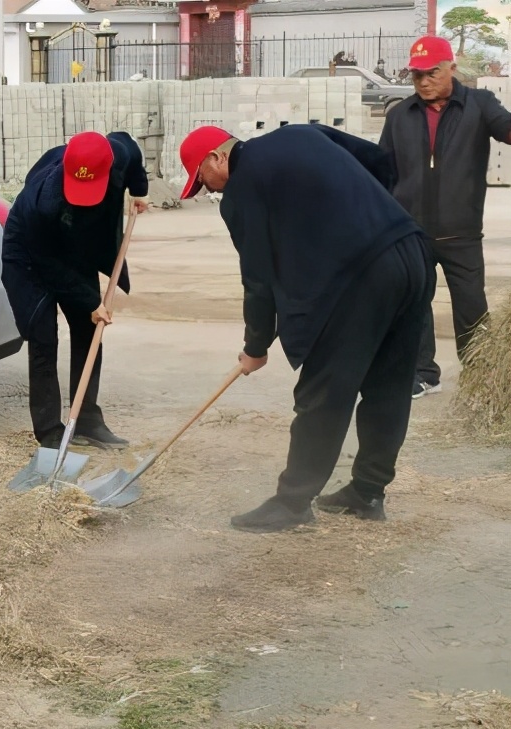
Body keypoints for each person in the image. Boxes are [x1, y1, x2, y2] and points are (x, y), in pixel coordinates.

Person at [178, 124, 434, 533]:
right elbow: (379, 161)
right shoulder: (302, 135)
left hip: (360, 275)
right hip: (411, 250)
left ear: (217, 158)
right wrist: (362, 213)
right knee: (389, 384)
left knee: (324, 391)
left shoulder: (243, 189)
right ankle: (368, 492)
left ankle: (292, 502)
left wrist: (256, 346)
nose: (208, 190)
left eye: (202, 180)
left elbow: (258, 277)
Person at [379, 35, 511, 399]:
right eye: (417, 75)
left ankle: (479, 376)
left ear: (451, 68)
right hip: (411, 234)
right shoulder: (399, 116)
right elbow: (382, 171)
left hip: (461, 232)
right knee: (414, 308)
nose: (424, 82)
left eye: (432, 73)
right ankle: (423, 374)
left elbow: (506, 128)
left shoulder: (479, 105)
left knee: (471, 308)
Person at [1, 131, 149, 450]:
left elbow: (131, 151)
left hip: (77, 245)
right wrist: (91, 301)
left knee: (89, 329)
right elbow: (49, 264)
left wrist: (140, 191)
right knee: (43, 337)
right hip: (30, 255)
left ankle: (87, 421)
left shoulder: (118, 153)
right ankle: (50, 432)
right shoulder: (43, 201)